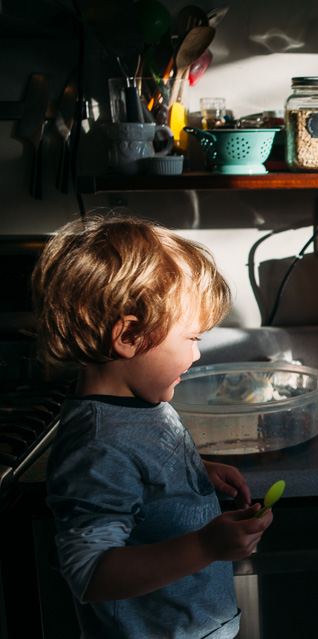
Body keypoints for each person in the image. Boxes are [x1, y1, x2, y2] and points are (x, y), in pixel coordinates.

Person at [33, 214, 272, 638]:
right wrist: (205, 547)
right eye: (192, 338)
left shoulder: (136, 403)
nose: (197, 355)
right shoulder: (98, 444)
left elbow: (142, 467)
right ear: (128, 337)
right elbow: (91, 575)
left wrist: (193, 473)